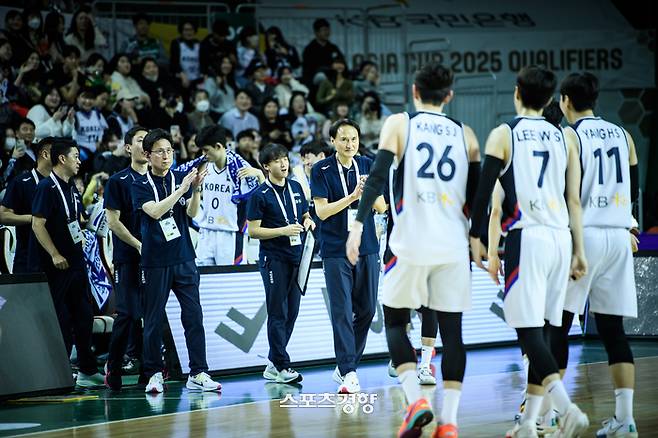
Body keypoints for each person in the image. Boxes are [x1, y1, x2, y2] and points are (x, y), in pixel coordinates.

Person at [346, 62, 481, 437]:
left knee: (394, 322)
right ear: (449, 96)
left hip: (410, 240)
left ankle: (415, 401)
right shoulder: (466, 135)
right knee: (453, 334)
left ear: (414, 91)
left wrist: (357, 226)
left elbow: (376, 177)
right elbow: (476, 200)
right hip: (453, 244)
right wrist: (479, 242)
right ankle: (450, 422)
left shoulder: (400, 124)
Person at [468, 65, 590, 438]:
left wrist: (479, 241)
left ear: (517, 92)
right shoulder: (566, 136)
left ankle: (565, 408)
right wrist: (579, 250)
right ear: (552, 98)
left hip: (528, 236)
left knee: (527, 331)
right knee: (550, 332)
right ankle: (527, 424)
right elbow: (574, 200)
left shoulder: (505, 133)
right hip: (562, 238)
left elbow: (484, 192)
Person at [553, 72, 640, 437]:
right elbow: (632, 187)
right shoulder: (624, 134)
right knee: (613, 330)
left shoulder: (569, 135)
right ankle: (625, 419)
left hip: (584, 235)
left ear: (565, 101)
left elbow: (565, 192)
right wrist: (629, 226)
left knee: (556, 324)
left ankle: (550, 413)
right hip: (619, 235)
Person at [131, 128, 221, 393]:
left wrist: (194, 192)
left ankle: (198, 372)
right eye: (160, 151)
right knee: (154, 319)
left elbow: (192, 213)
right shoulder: (140, 184)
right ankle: (154, 374)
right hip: (155, 260)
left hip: (184, 257)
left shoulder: (181, 177)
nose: (166, 156)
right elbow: (156, 212)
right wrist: (182, 189)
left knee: (194, 316)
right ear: (148, 155)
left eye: (170, 151)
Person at [310, 118, 386, 393]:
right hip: (334, 248)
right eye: (343, 139)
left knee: (366, 309)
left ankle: (345, 364)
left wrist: (368, 193)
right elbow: (321, 212)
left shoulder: (368, 163)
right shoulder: (321, 169)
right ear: (333, 141)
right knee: (342, 311)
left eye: (353, 139)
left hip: (367, 246)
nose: (349, 144)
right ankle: (350, 371)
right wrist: (353, 196)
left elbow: (381, 206)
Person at [31, 138, 105, 387]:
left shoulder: (71, 186)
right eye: (75, 156)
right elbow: (37, 224)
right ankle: (56, 373)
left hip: (76, 263)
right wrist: (54, 254)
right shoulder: (46, 187)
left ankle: (86, 368)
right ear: (61, 158)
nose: (79, 161)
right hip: (57, 267)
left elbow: (73, 219)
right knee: (60, 320)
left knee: (84, 317)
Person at [247, 143, 315, 382]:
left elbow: (304, 213)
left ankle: (274, 362)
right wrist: (283, 230)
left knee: (292, 312)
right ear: (266, 167)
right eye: (276, 160)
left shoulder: (296, 186)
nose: (283, 163)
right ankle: (282, 366)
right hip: (273, 259)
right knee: (278, 311)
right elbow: (253, 231)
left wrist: (308, 221)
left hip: (297, 256)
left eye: (285, 158)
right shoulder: (259, 195)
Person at [103, 126, 149, 390]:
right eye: (140, 141)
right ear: (129, 147)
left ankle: (150, 368)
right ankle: (114, 364)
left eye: (148, 142)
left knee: (151, 314)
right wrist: (137, 244)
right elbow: (113, 222)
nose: (145, 146)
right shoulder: (118, 181)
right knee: (128, 313)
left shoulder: (158, 181)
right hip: (127, 257)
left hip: (154, 259)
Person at [195, 125, 264, 266]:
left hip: (230, 235)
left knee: (230, 282)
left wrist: (260, 175)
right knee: (202, 283)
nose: (203, 154)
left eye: (206, 150)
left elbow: (262, 199)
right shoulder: (205, 166)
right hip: (206, 233)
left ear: (219, 146)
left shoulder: (241, 168)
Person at [0, 137, 52, 273]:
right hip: (28, 259)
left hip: (59, 260)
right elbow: (2, 215)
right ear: (45, 154)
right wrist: (32, 219)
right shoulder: (21, 182)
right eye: (58, 152)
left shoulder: (66, 184)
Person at [302, 19, 344, 88]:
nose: (327, 32)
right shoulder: (309, 49)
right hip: (315, 81)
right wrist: (331, 67)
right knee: (321, 76)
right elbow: (310, 69)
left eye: (328, 30)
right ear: (316, 32)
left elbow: (341, 61)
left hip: (333, 78)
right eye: (324, 30)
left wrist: (341, 65)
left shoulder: (333, 48)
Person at [169, 20, 201, 93]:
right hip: (181, 79)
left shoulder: (198, 43)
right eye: (186, 30)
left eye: (191, 30)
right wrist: (182, 75)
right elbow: (173, 63)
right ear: (181, 31)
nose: (188, 32)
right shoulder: (176, 43)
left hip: (196, 80)